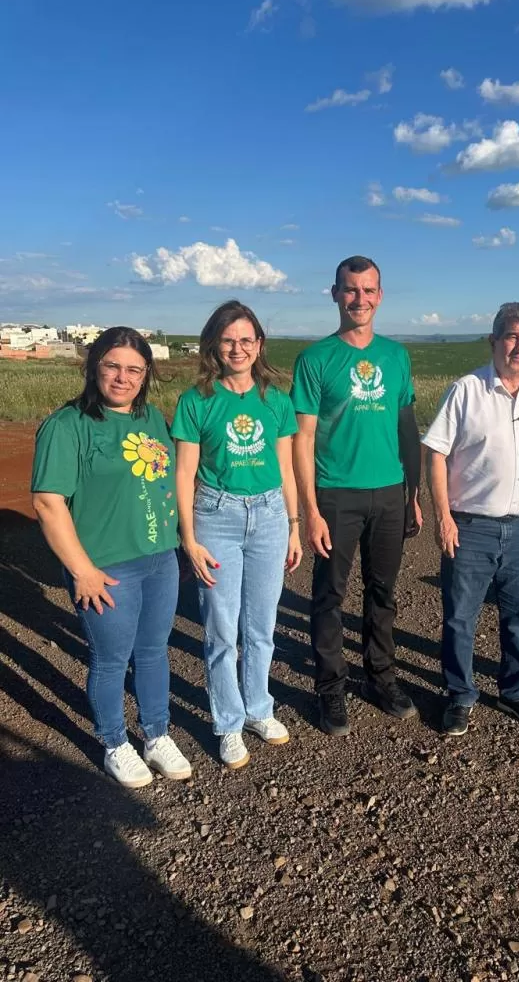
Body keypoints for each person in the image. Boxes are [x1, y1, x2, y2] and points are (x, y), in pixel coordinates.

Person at [31, 327, 192, 788]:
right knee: (109, 658)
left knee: (154, 652)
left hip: (159, 558)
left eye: (134, 369)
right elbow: (48, 503)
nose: (123, 377)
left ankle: (156, 734)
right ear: (93, 367)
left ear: (146, 375)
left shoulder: (152, 420)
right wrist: (82, 570)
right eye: (112, 366)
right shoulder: (68, 425)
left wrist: (177, 542)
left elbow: (164, 483)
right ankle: (114, 742)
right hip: (106, 567)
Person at [291, 255, 422, 736]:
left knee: (383, 591)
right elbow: (302, 438)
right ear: (335, 294)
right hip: (335, 493)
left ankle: (379, 677)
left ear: (380, 296)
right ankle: (330, 688)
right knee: (329, 595)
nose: (359, 299)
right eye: (350, 290)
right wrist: (309, 509)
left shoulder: (396, 356)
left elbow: (406, 427)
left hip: (388, 491)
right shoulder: (315, 359)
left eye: (368, 290)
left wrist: (413, 492)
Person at [422, 302, 519, 737]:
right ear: (494, 340)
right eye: (511, 336)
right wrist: (443, 517)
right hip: (471, 526)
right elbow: (435, 453)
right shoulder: (466, 390)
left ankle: (516, 691)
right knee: (459, 617)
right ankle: (460, 695)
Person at [173, 301, 302, 770]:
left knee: (261, 626)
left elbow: (285, 468)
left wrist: (294, 526)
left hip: (269, 515)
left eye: (247, 340)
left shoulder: (276, 400)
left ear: (259, 345)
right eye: (228, 340)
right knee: (222, 629)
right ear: (214, 344)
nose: (238, 348)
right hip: (216, 515)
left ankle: (258, 710)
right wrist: (188, 539)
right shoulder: (196, 400)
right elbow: (183, 474)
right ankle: (227, 722)